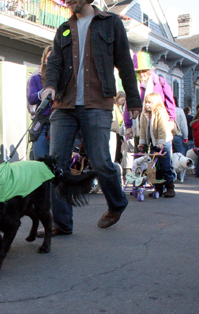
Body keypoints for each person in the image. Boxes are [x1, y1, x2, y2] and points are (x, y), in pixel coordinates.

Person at [39, 0, 141, 235]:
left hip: (97, 102)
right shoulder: (64, 28)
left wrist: (133, 100)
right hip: (64, 104)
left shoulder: (110, 23)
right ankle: (62, 223)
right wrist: (49, 86)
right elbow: (54, 63)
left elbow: (125, 63)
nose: (68, 1)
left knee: (101, 161)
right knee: (56, 165)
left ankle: (116, 203)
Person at [124, 51, 176, 144]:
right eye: (138, 72)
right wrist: (128, 126)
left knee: (162, 154)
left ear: (149, 70)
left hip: (159, 124)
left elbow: (170, 100)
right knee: (141, 156)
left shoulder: (160, 81)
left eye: (144, 71)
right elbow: (129, 106)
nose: (142, 74)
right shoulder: (133, 87)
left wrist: (171, 119)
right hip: (141, 126)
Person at [138, 92, 175, 197]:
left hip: (164, 142)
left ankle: (170, 188)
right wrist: (142, 143)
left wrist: (161, 142)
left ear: (155, 103)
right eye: (146, 102)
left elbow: (162, 129)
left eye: (150, 102)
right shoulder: (145, 114)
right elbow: (143, 130)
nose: (147, 105)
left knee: (165, 166)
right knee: (154, 167)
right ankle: (157, 188)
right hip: (154, 143)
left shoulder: (160, 112)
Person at [27, 45, 52, 159]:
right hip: (41, 122)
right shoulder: (36, 78)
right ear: (44, 59)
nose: (51, 61)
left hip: (58, 122)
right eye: (48, 58)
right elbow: (31, 98)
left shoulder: (63, 78)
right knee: (40, 161)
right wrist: (41, 93)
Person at [111, 91, 125, 164]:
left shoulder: (119, 109)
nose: (123, 102)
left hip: (119, 132)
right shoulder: (114, 107)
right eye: (122, 100)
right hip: (114, 131)